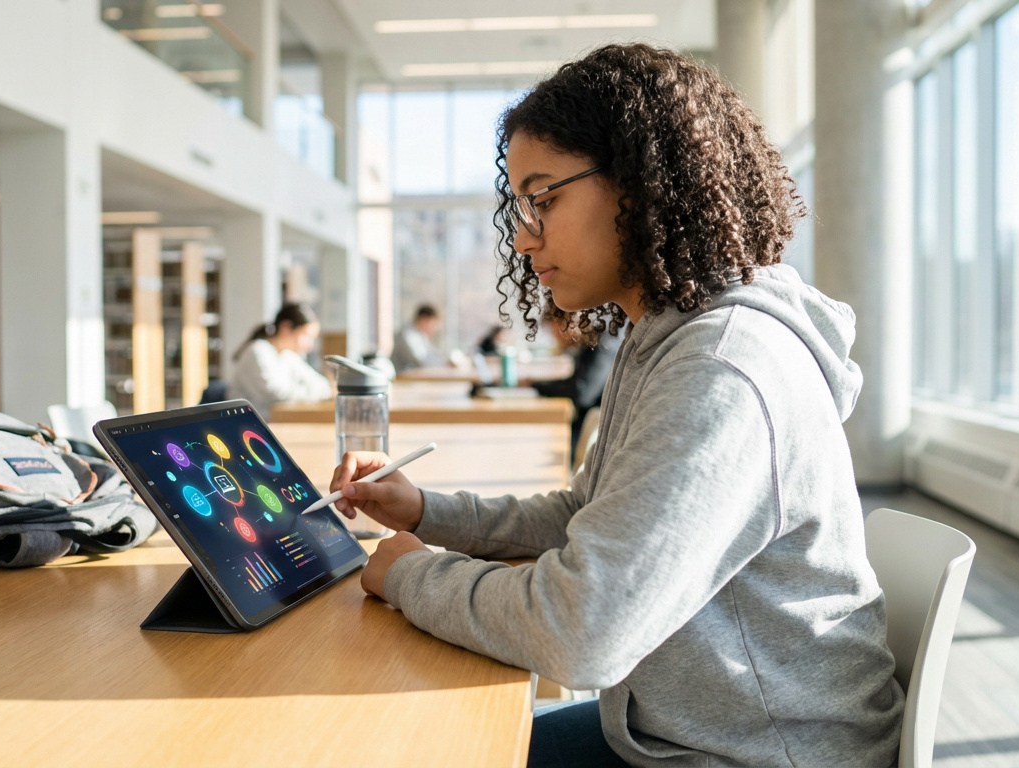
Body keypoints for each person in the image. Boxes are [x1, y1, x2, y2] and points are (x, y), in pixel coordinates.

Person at [329, 43, 904, 767]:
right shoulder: (665, 332)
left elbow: (584, 631)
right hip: (682, 732)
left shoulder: (723, 366)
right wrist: (425, 512)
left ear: (640, 184)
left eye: (544, 198)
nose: (524, 234)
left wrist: (410, 574)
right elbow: (588, 517)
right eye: (520, 205)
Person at [526, 308, 622, 461]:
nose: (555, 337)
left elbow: (583, 392)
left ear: (569, 322)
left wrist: (536, 386)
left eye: (554, 329)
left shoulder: (604, 343)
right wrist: (535, 385)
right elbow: (574, 383)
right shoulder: (590, 344)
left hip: (596, 435)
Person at [227, 303, 331, 420]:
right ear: (285, 327)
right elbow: (276, 395)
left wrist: (314, 391)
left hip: (273, 422)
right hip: (247, 425)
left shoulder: (288, 355)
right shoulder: (258, 350)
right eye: (306, 336)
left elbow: (322, 385)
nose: (310, 345)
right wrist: (313, 393)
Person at [390, 304, 447, 372]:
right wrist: (445, 363)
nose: (435, 329)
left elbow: (432, 355)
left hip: (412, 377)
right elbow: (422, 362)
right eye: (433, 324)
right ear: (424, 319)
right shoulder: (407, 335)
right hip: (401, 379)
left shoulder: (420, 336)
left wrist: (447, 361)